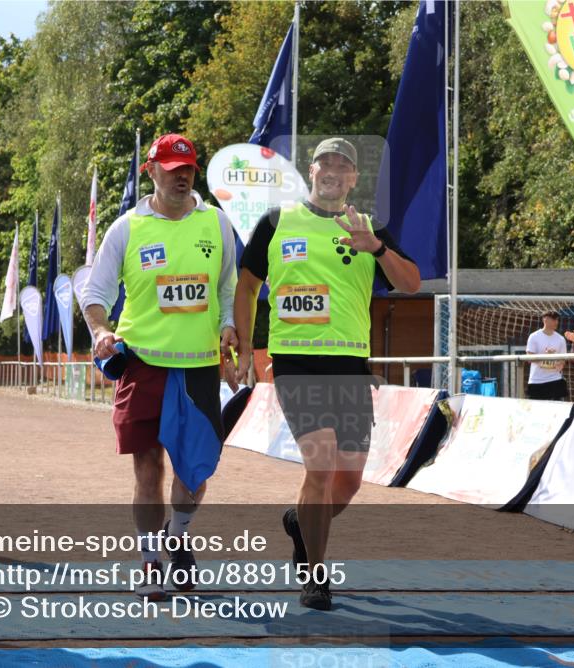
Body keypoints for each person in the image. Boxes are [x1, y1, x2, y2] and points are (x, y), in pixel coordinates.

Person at [234, 138, 421, 610]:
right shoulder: (276, 222)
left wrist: (377, 248)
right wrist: (244, 346)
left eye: (344, 165)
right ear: (311, 171)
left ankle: (301, 522)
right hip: (296, 364)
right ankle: (315, 576)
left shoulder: (369, 227)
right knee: (319, 467)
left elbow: (411, 283)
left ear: (354, 178)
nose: (334, 171)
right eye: (325, 163)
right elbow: (248, 286)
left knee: (348, 482)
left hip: (351, 366)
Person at [80, 133, 237, 601]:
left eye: (187, 169)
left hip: (200, 369)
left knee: (195, 474)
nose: (181, 177)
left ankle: (178, 535)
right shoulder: (127, 228)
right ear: (151, 171)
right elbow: (95, 294)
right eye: (171, 170)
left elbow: (227, 287)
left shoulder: (216, 222)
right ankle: (150, 560)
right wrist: (101, 332)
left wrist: (229, 325)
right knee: (148, 469)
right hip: (143, 364)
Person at [526, 311, 569, 401]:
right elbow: (529, 357)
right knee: (536, 408)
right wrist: (546, 357)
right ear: (545, 319)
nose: (556, 322)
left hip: (555, 380)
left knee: (557, 408)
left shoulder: (561, 339)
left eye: (557, 319)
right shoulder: (534, 336)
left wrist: (557, 363)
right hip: (537, 381)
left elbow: (562, 360)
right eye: (553, 319)